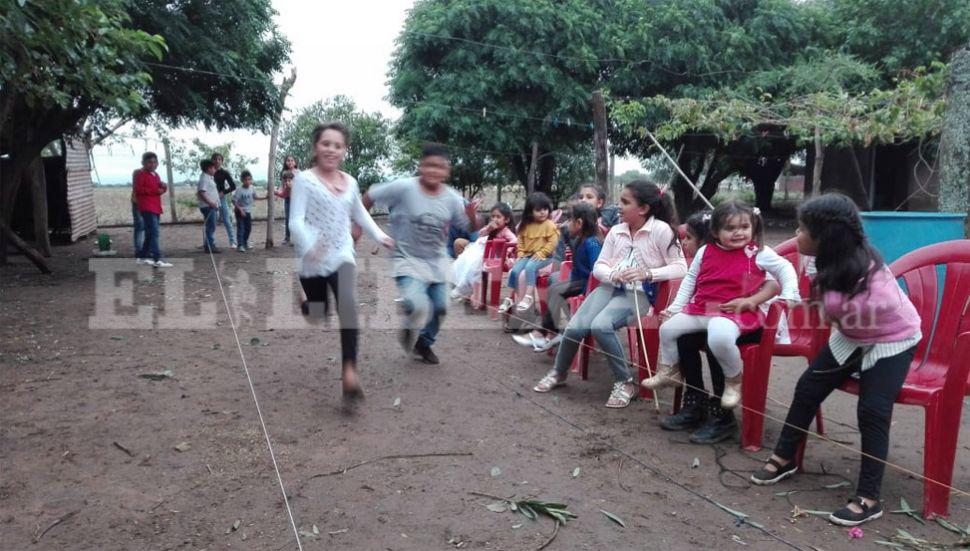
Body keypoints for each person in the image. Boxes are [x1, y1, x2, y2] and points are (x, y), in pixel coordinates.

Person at [750, 193, 922, 527]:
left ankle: (869, 497)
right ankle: (785, 457)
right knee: (807, 387)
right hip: (852, 334)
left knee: (873, 409)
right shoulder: (818, 259)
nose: (796, 235)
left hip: (892, 340)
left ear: (826, 238)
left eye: (802, 230)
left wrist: (823, 309)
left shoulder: (870, 277)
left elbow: (845, 314)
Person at [532, 180, 687, 408]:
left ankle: (625, 381)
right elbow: (600, 266)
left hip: (639, 294)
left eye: (625, 202)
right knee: (576, 326)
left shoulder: (661, 231)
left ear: (643, 209)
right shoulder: (616, 231)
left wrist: (647, 273)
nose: (619, 206)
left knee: (601, 325)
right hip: (609, 287)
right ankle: (559, 372)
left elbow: (681, 267)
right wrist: (613, 274)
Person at [643, 201, 799, 410]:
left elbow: (785, 268)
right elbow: (690, 280)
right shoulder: (705, 251)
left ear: (753, 227)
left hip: (733, 312)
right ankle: (669, 370)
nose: (738, 233)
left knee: (718, 337)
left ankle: (733, 381)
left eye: (744, 227)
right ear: (715, 231)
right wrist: (674, 309)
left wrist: (789, 293)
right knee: (669, 329)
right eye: (730, 228)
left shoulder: (757, 252)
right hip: (703, 308)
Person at [655, 211, 781, 444]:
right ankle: (696, 402)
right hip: (717, 317)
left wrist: (752, 301)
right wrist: (674, 311)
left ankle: (723, 417)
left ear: (708, 239)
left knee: (715, 342)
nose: (685, 243)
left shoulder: (752, 256)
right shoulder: (707, 261)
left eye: (690, 238)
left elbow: (775, 284)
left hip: (752, 322)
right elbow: (695, 298)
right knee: (685, 337)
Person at [289, 122, 392, 398]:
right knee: (318, 314)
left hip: (342, 253)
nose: (331, 150)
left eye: (337, 145)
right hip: (311, 259)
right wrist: (310, 246)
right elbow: (295, 221)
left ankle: (349, 372)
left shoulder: (350, 182)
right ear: (315, 147)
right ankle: (304, 302)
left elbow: (360, 214)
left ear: (344, 150)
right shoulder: (304, 180)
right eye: (326, 144)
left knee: (348, 305)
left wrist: (381, 237)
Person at [363, 143, 481, 365]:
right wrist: (366, 228)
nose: (434, 171)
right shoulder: (404, 188)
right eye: (430, 165)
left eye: (440, 167)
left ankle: (424, 343)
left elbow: (471, 229)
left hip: (437, 262)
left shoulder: (452, 198)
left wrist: (473, 215)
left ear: (447, 171)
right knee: (417, 305)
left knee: (441, 307)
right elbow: (369, 196)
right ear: (421, 166)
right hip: (406, 258)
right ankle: (410, 322)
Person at [513, 202, 601, 352]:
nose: (567, 223)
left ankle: (543, 332)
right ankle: (556, 330)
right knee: (555, 288)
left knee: (557, 289)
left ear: (579, 223)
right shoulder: (579, 240)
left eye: (570, 220)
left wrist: (585, 293)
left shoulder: (592, 243)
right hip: (579, 281)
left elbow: (596, 271)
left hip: (589, 286)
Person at [497, 192, 559, 315]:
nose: (542, 212)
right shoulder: (526, 226)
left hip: (546, 257)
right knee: (515, 270)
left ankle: (528, 296)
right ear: (530, 211)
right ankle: (509, 298)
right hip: (528, 255)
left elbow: (553, 242)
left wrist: (542, 252)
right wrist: (520, 254)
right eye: (538, 210)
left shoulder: (549, 225)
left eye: (545, 209)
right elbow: (520, 242)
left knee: (531, 267)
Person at [450, 202, 516, 302]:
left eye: (498, 217)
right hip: (486, 254)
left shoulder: (506, 231)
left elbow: (515, 241)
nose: (495, 219)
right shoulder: (492, 229)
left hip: (498, 257)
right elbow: (480, 235)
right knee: (468, 258)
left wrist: (506, 250)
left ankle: (463, 287)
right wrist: (489, 229)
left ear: (506, 220)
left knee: (476, 261)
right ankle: (463, 285)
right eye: (493, 216)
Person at [133, 152, 174, 268]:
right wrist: (156, 190)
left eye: (155, 162)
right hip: (147, 207)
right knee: (154, 233)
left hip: (155, 207)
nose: (152, 164)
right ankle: (157, 259)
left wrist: (164, 187)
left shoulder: (156, 175)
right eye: (149, 162)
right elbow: (139, 189)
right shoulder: (141, 175)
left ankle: (141, 258)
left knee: (150, 234)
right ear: (143, 163)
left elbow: (160, 189)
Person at [232, 170, 266, 252]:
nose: (247, 181)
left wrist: (265, 197)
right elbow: (233, 201)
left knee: (248, 228)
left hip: (247, 212)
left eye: (249, 179)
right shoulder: (239, 190)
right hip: (239, 211)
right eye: (245, 180)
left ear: (251, 180)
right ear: (242, 180)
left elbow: (255, 197)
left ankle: (245, 243)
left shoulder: (252, 188)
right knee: (241, 228)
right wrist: (240, 210)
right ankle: (240, 245)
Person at [211, 153, 237, 248]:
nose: (217, 161)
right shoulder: (209, 172)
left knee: (227, 220)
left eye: (219, 159)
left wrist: (224, 192)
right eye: (215, 159)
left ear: (222, 161)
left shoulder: (224, 173)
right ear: (212, 160)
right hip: (211, 199)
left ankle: (233, 242)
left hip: (221, 198)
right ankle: (209, 242)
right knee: (211, 221)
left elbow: (233, 186)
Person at [197, 159, 221, 253]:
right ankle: (209, 246)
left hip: (211, 206)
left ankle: (209, 245)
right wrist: (211, 203)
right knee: (211, 226)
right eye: (214, 168)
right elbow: (202, 193)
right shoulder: (204, 178)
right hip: (208, 206)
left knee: (211, 225)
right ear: (209, 168)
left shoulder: (208, 177)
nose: (215, 169)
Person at [276, 155, 300, 245]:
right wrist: (278, 193)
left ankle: (296, 238)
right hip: (288, 198)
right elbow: (282, 186)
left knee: (297, 218)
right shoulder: (284, 173)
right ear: (285, 163)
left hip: (297, 199)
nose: (290, 162)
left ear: (295, 162)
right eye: (288, 161)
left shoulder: (298, 173)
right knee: (288, 218)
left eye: (292, 160)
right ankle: (287, 237)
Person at [130, 170, 145, 255]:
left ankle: (141, 249)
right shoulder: (138, 173)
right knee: (140, 226)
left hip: (144, 203)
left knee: (143, 227)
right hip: (138, 202)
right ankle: (139, 249)